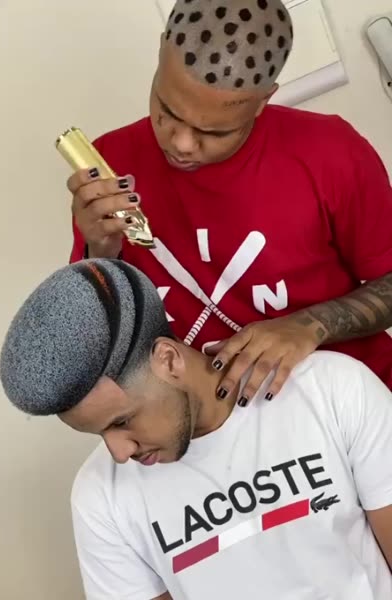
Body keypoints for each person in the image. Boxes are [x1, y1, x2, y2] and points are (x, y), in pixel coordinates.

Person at [0, 258, 392, 600]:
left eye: (121, 421)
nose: (120, 452)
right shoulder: (100, 495)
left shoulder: (331, 390)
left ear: (169, 360)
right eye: (100, 434)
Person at [66, 0, 392, 403]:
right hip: (214, 427)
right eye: (167, 111)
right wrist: (99, 249)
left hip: (358, 403)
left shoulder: (332, 152)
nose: (182, 144)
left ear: (263, 100)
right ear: (161, 51)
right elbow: (95, 340)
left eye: (214, 132)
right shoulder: (109, 166)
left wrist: (310, 325)